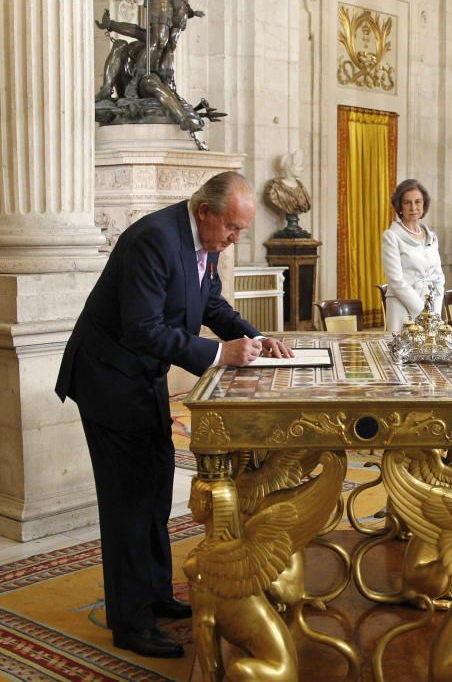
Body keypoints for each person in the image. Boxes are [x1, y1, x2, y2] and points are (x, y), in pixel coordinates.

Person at [54, 172, 294, 658]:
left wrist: (256, 336)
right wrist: (220, 354)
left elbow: (211, 303)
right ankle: (131, 621)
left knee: (156, 485)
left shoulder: (202, 239)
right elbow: (141, 328)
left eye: (241, 230)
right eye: (232, 228)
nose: (235, 238)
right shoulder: (154, 239)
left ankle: (156, 594)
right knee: (128, 503)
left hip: (141, 378)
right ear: (205, 212)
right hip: (107, 378)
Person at [381, 179, 445, 331]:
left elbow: (439, 277)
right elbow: (396, 281)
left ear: (424, 205)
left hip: (431, 309)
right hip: (402, 308)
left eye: (418, 202)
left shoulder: (431, 237)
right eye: (407, 202)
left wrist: (434, 312)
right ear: (399, 206)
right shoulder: (391, 236)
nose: (413, 207)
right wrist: (422, 312)